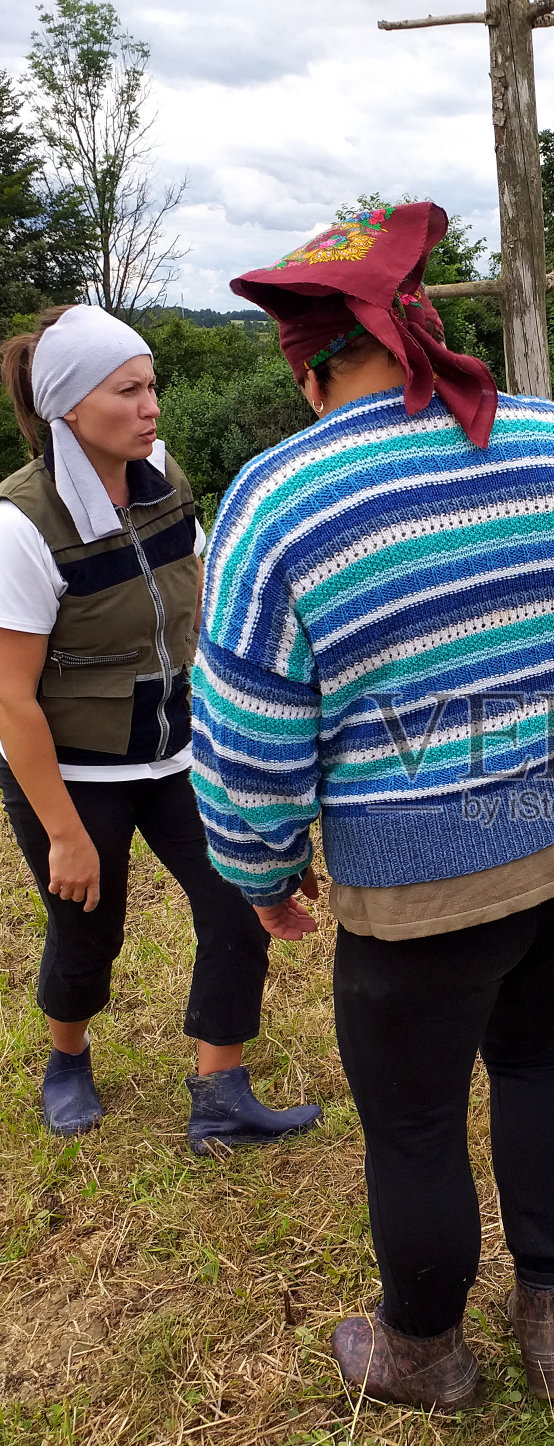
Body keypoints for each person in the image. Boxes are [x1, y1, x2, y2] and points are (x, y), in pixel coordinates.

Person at [193, 201, 554, 1407]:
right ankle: (549, 1310)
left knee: (411, 1123)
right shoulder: (552, 438)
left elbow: (249, 734)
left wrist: (258, 872)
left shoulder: (278, 499)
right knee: (542, 1047)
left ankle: (422, 1353)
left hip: (425, 880)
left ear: (309, 369)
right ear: (412, 332)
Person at [0, 305, 322, 1154]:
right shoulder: (19, 528)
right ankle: (67, 1060)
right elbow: (11, 701)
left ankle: (221, 1090)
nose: (152, 407)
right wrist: (64, 835)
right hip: (74, 769)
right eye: (129, 390)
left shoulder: (163, 475)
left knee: (235, 902)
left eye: (152, 388)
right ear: (71, 407)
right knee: (87, 928)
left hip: (179, 747)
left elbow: (203, 581)